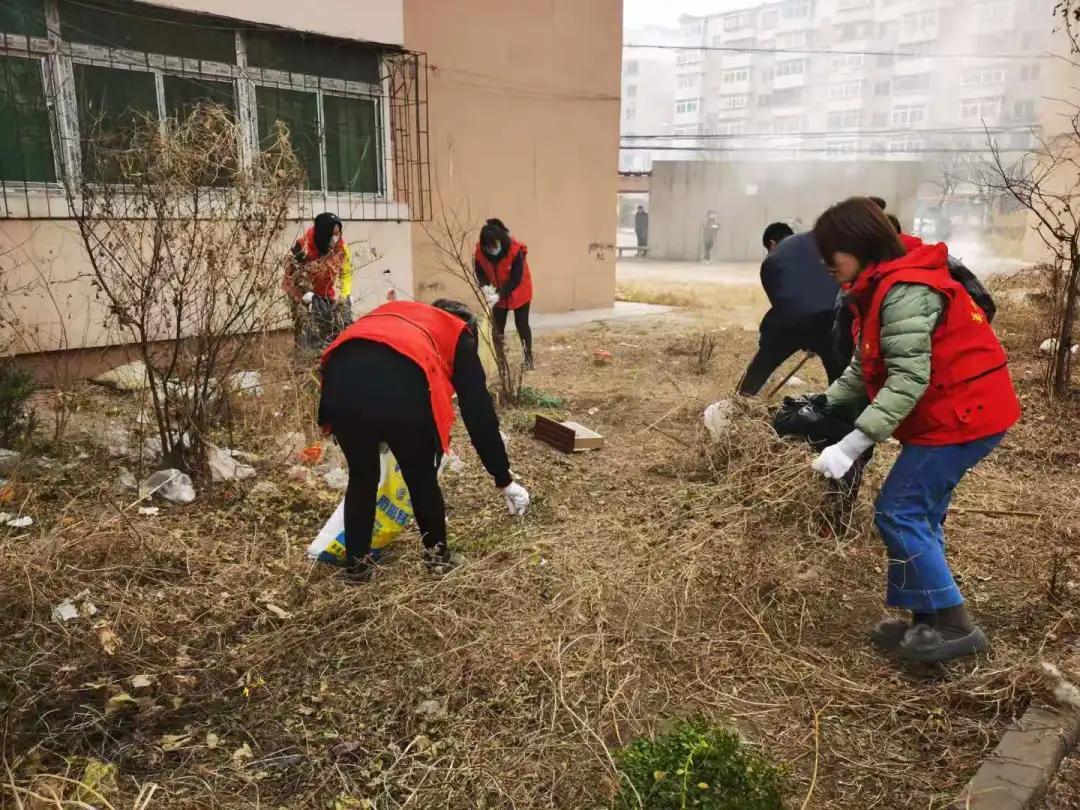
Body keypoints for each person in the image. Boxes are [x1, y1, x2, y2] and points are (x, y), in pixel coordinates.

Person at [810, 197, 1021, 663]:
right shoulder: (881, 283)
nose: (826, 264)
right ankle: (925, 619)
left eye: (832, 253)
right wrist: (825, 403)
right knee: (918, 513)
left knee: (899, 510)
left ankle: (955, 624)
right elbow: (868, 365)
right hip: (956, 410)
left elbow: (908, 378)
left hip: (963, 414)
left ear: (859, 246)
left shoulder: (905, 288)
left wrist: (852, 443)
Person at [319, 299, 531, 582]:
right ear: (465, 326)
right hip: (399, 385)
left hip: (339, 381)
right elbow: (479, 414)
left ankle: (357, 567)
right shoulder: (458, 333)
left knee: (361, 476)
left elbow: (361, 351)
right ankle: (438, 558)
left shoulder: (400, 311)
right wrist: (503, 478)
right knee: (420, 477)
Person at [736, 224, 847, 396]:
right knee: (839, 373)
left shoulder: (772, 259)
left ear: (772, 244)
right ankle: (840, 410)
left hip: (790, 320)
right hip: (830, 318)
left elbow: (778, 301)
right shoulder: (819, 245)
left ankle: (739, 401)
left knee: (762, 364)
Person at [283, 212, 354, 349]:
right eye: (331, 234)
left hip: (327, 295)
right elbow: (290, 277)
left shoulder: (341, 249)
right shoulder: (302, 247)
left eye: (337, 234)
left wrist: (345, 297)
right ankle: (304, 365)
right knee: (308, 337)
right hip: (303, 297)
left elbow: (345, 274)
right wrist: (303, 294)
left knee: (331, 333)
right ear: (322, 234)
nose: (335, 239)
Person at [474, 218, 535, 369]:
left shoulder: (514, 251)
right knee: (497, 329)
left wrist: (500, 294)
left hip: (519, 289)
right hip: (497, 291)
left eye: (496, 244)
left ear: (501, 240)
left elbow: (516, 278)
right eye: (490, 246)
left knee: (521, 324)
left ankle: (528, 360)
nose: (494, 248)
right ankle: (501, 364)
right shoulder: (480, 253)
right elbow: (479, 272)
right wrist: (486, 287)